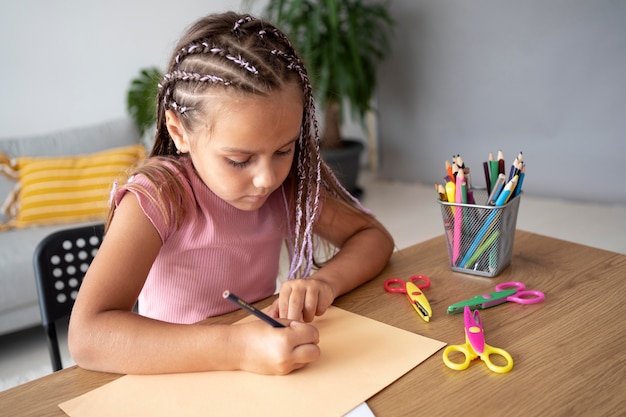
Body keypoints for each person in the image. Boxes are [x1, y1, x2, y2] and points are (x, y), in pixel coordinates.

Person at [68, 11, 394, 376]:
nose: (265, 179)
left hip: (257, 368)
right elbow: (87, 336)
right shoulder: (157, 197)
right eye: (239, 160)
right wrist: (237, 348)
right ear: (180, 132)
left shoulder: (284, 189)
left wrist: (323, 283)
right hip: (176, 378)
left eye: (284, 150)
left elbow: (374, 237)